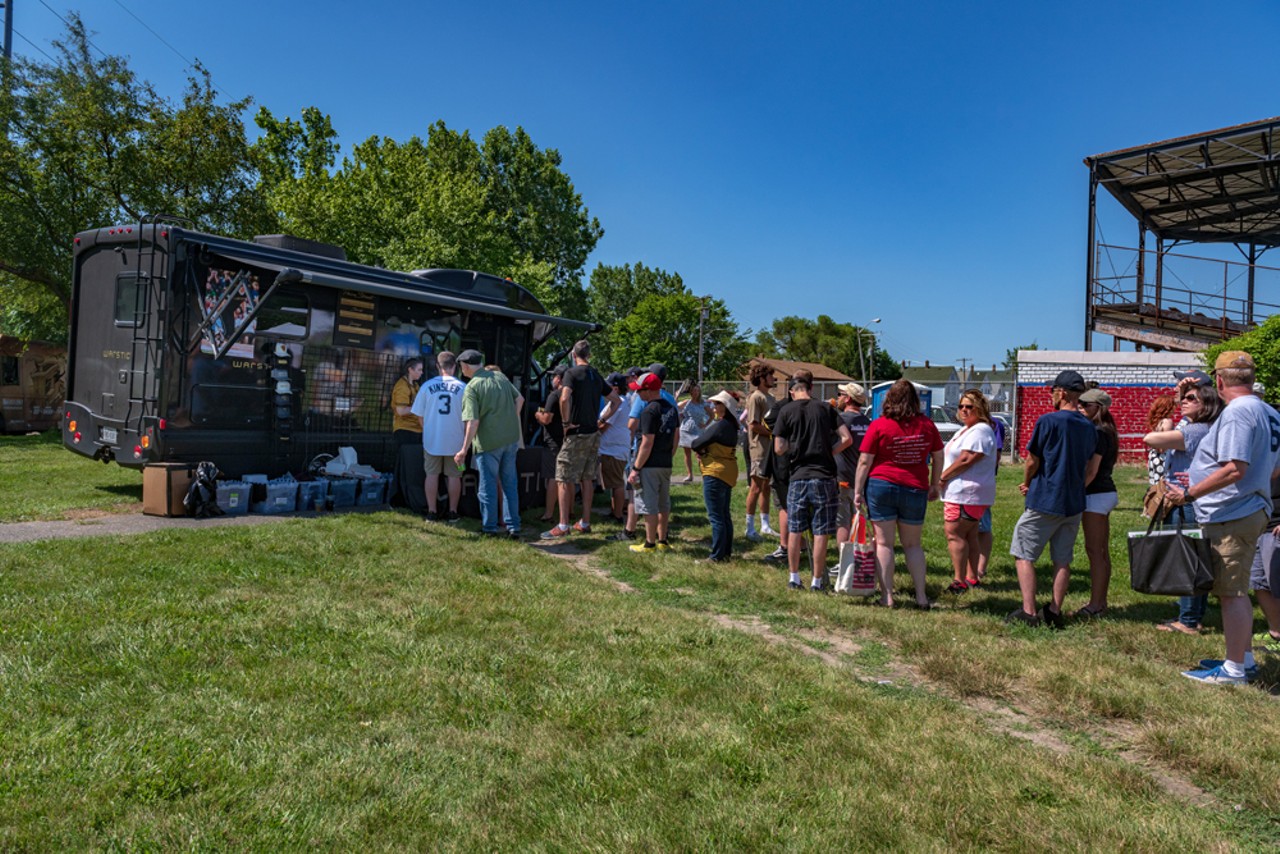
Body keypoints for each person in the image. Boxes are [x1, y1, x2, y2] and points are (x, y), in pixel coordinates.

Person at [1166, 352, 1280, 684]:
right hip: (1249, 509)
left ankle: (1233, 671)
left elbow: (1234, 468)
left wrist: (1189, 494)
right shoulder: (1268, 411)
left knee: (1232, 593)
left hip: (1234, 512)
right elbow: (1273, 468)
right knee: (1234, 588)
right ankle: (1242, 659)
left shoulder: (1238, 413)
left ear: (1218, 380)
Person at [1006, 370, 1100, 628]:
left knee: (1024, 553)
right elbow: (1087, 466)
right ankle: (1054, 611)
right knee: (1062, 558)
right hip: (1073, 502)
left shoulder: (1048, 421)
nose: (1051, 395)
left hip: (1046, 498)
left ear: (1062, 393)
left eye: (1053, 390)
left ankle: (1029, 611)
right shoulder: (1089, 427)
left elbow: (1032, 460)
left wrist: (1027, 483)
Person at [1145, 373, 1222, 635]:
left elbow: (1151, 439)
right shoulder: (1209, 426)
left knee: (1185, 560)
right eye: (1184, 397)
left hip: (1185, 501)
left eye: (1191, 398)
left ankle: (1187, 621)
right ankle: (1193, 615)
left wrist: (1173, 418)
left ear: (1206, 404)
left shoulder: (1197, 430)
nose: (1183, 402)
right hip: (1194, 499)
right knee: (1196, 559)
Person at [855, 379, 943, 608]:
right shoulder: (926, 425)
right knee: (913, 545)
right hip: (915, 487)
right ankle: (921, 597)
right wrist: (935, 484)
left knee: (884, 543)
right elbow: (938, 455)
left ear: (889, 400)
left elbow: (865, 461)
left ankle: (887, 596)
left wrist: (857, 491)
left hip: (881, 485)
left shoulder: (879, 425)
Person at [774, 369, 853, 592]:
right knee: (821, 531)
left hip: (798, 476)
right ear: (810, 389)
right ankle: (817, 581)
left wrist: (794, 447)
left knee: (795, 528)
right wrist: (830, 451)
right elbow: (847, 438)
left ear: (792, 391)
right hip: (825, 476)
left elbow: (779, 448)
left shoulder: (786, 411)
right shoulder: (826, 408)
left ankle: (794, 577)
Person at [542, 341, 613, 539]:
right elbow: (615, 400)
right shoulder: (595, 374)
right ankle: (585, 521)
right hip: (593, 433)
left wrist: (566, 423)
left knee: (563, 475)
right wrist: (601, 419)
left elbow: (564, 398)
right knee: (587, 477)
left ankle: (563, 525)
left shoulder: (571, 374)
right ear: (589, 355)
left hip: (576, 433)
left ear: (574, 355)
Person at [454, 349, 524, 539]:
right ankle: (514, 527)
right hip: (510, 439)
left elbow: (473, 422)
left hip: (488, 443)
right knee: (510, 484)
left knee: (488, 487)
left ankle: (489, 528)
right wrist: (510, 417)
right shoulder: (500, 377)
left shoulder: (472, 387)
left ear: (465, 366)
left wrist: (463, 449)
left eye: (461, 366)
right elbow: (520, 399)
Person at [939, 389, 998, 593]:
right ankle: (971, 577)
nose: (964, 410)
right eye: (961, 406)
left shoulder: (980, 430)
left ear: (979, 408)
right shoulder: (966, 429)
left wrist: (942, 477)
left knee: (954, 534)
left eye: (969, 407)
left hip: (966, 493)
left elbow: (967, 458)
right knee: (970, 535)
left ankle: (959, 580)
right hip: (964, 492)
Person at [1073, 388, 1120, 618]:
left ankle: (1095, 605)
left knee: (1095, 552)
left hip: (1096, 495)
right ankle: (1100, 602)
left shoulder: (1099, 432)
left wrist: (1075, 492)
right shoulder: (1106, 430)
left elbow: (1091, 471)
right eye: (1079, 404)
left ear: (1099, 408)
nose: (1080, 408)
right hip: (1103, 494)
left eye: (1086, 405)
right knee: (1101, 552)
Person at [411, 351, 466, 521]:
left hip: (432, 440)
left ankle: (432, 511)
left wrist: (428, 429)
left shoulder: (427, 386)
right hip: (456, 441)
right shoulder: (463, 387)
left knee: (431, 475)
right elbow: (469, 417)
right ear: (454, 367)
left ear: (437, 366)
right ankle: (453, 511)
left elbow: (419, 415)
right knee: (455, 476)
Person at [628, 371, 679, 553]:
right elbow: (676, 436)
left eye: (640, 390)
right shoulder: (671, 408)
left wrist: (636, 468)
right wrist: (669, 455)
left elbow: (647, 442)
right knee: (664, 503)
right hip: (666, 463)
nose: (638, 394)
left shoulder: (649, 410)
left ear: (648, 391)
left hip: (649, 465)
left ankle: (649, 543)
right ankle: (663, 540)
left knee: (649, 504)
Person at [692, 390, 741, 562]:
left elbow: (696, 443)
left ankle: (717, 556)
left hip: (715, 472)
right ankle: (725, 553)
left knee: (716, 517)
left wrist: (702, 449)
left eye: (718, 403)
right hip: (728, 471)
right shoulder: (731, 425)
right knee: (724, 514)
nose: (713, 406)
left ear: (725, 407)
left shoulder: (720, 425)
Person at [834, 382, 871, 545]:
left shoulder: (841, 420)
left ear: (848, 398)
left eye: (841, 394)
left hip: (842, 477)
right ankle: (858, 556)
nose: (838, 397)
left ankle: (844, 562)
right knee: (857, 518)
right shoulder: (868, 422)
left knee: (842, 521)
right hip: (861, 479)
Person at [745, 364, 777, 542]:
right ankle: (749, 527)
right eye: (770, 376)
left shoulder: (771, 398)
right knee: (755, 487)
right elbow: (753, 425)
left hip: (771, 450)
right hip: (759, 449)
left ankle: (765, 525)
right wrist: (774, 433)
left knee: (767, 487)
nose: (773, 379)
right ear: (762, 379)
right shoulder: (756, 398)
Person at [390, 357, 426, 513]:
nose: (421, 372)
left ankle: (411, 497)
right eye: (418, 369)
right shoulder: (402, 386)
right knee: (403, 468)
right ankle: (398, 498)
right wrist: (419, 407)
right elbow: (401, 411)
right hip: (405, 431)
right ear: (410, 370)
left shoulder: (416, 386)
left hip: (417, 429)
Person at [533, 366, 567, 522]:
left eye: (554, 376)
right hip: (567, 440)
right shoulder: (573, 394)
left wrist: (537, 414)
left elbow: (546, 419)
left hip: (553, 441)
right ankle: (569, 512)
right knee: (567, 478)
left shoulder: (554, 395)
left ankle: (548, 514)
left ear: (559, 378)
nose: (552, 379)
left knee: (553, 477)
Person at [598, 372, 631, 525]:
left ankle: (618, 515)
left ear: (616, 388)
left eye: (609, 386)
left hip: (613, 450)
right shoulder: (620, 401)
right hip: (614, 448)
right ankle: (614, 512)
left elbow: (604, 425)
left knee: (617, 483)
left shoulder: (619, 403)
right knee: (613, 483)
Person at [677, 381, 713, 483]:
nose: (696, 392)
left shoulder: (703, 403)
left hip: (698, 430)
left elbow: (712, 415)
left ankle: (705, 474)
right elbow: (675, 406)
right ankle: (690, 475)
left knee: (700, 453)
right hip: (686, 429)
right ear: (691, 392)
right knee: (687, 453)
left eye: (698, 390)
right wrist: (677, 395)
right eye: (694, 390)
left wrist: (705, 425)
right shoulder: (686, 402)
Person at [1145, 393, 1176, 485]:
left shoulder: (1156, 422)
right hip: (1164, 458)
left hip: (1154, 457)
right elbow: (1166, 442)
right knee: (1164, 486)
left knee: (1155, 486)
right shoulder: (1167, 422)